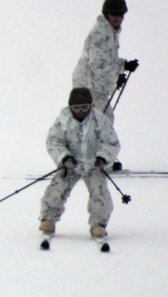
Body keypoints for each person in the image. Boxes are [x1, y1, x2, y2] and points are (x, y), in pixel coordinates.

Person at [38, 87, 121, 240]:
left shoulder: (100, 120)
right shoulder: (63, 121)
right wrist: (64, 157)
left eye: (85, 107)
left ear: (91, 106)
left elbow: (111, 142)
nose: (81, 111)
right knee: (57, 188)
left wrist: (103, 158)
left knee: (100, 192)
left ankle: (98, 224)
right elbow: (53, 141)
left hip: (93, 164)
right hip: (71, 163)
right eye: (76, 108)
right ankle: (48, 218)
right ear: (70, 107)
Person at [71, 0, 139, 124]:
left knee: (103, 124)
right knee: (101, 125)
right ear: (107, 13)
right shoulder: (99, 34)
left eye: (120, 15)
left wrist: (124, 66)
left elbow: (107, 60)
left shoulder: (109, 32)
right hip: (86, 87)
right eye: (114, 14)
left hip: (94, 87)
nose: (117, 18)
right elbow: (99, 65)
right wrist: (118, 73)